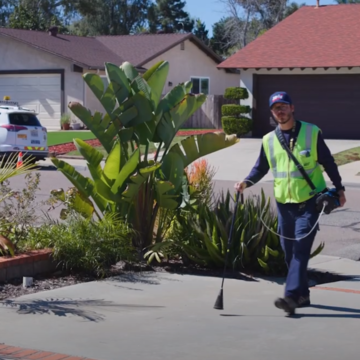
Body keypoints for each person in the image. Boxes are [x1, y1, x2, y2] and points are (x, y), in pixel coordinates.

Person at [234, 91, 346, 315]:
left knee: (300, 251)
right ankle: (302, 295)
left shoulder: (311, 132)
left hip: (310, 202)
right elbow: (261, 168)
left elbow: (328, 161)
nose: (280, 111)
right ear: (272, 113)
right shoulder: (268, 140)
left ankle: (291, 296)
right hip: (284, 204)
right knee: (288, 253)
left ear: (292, 108)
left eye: (284, 106)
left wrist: (339, 188)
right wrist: (246, 182)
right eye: (276, 108)